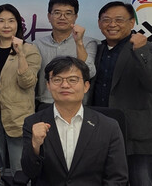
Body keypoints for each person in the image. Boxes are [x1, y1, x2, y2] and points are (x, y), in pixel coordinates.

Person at [91, 1, 152, 186]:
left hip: (138, 137)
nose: (112, 24)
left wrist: (140, 50)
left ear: (132, 22)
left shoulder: (148, 48)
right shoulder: (96, 50)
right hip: (101, 136)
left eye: (119, 20)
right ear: (99, 23)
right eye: (106, 20)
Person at [22, 56, 127, 185]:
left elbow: (117, 178)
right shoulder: (33, 123)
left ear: (86, 86)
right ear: (48, 85)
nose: (65, 85)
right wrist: (35, 145)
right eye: (57, 80)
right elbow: (29, 173)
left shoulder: (108, 127)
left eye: (72, 80)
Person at [0, 4, 41, 175]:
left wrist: (20, 53)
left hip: (18, 118)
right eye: (1, 21)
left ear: (18, 24)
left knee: (20, 170)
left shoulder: (30, 50)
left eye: (11, 21)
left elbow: (27, 82)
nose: (6, 25)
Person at [34, 0, 97, 107]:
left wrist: (79, 42)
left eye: (68, 13)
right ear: (49, 16)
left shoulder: (88, 43)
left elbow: (90, 73)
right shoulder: (37, 44)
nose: (62, 17)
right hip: (45, 104)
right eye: (57, 13)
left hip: (77, 105)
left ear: (75, 17)